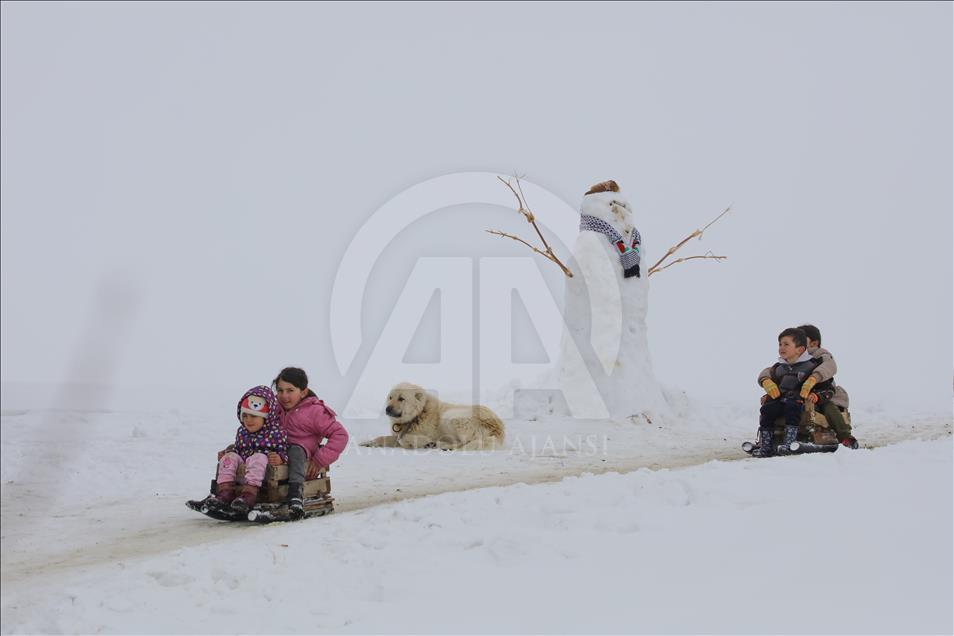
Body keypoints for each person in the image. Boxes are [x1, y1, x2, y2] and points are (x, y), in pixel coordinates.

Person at [273, 367, 349, 519]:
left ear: (303, 392)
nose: (284, 396)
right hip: (278, 458)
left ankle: (295, 494)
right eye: (280, 390)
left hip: (301, 461)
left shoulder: (314, 412)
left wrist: (320, 459)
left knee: (295, 450)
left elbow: (340, 435)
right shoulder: (275, 408)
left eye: (290, 390)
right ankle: (238, 491)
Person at [753, 328, 833, 457]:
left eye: (786, 344)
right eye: (780, 344)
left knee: (793, 406)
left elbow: (827, 387)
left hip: (800, 402)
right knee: (767, 409)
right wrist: (768, 390)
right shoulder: (779, 368)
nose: (781, 348)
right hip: (781, 400)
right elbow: (772, 380)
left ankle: (789, 442)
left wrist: (816, 395)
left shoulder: (811, 366)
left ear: (800, 349)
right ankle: (766, 444)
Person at [214, 386, 288, 513]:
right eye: (245, 416)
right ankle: (225, 492)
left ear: (266, 417)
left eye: (254, 416)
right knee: (229, 457)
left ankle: (248, 495)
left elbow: (284, 451)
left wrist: (280, 458)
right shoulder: (242, 431)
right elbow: (238, 449)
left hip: (262, 475)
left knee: (258, 457)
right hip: (243, 469)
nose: (248, 420)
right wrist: (227, 454)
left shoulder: (276, 432)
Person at [795, 324, 857, 448]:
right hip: (802, 395)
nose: (797, 343)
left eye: (801, 339)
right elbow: (774, 369)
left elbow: (829, 367)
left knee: (828, 406)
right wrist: (766, 380)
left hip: (824, 393)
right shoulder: (793, 357)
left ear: (814, 343)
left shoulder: (821, 354)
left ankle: (845, 436)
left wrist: (814, 378)